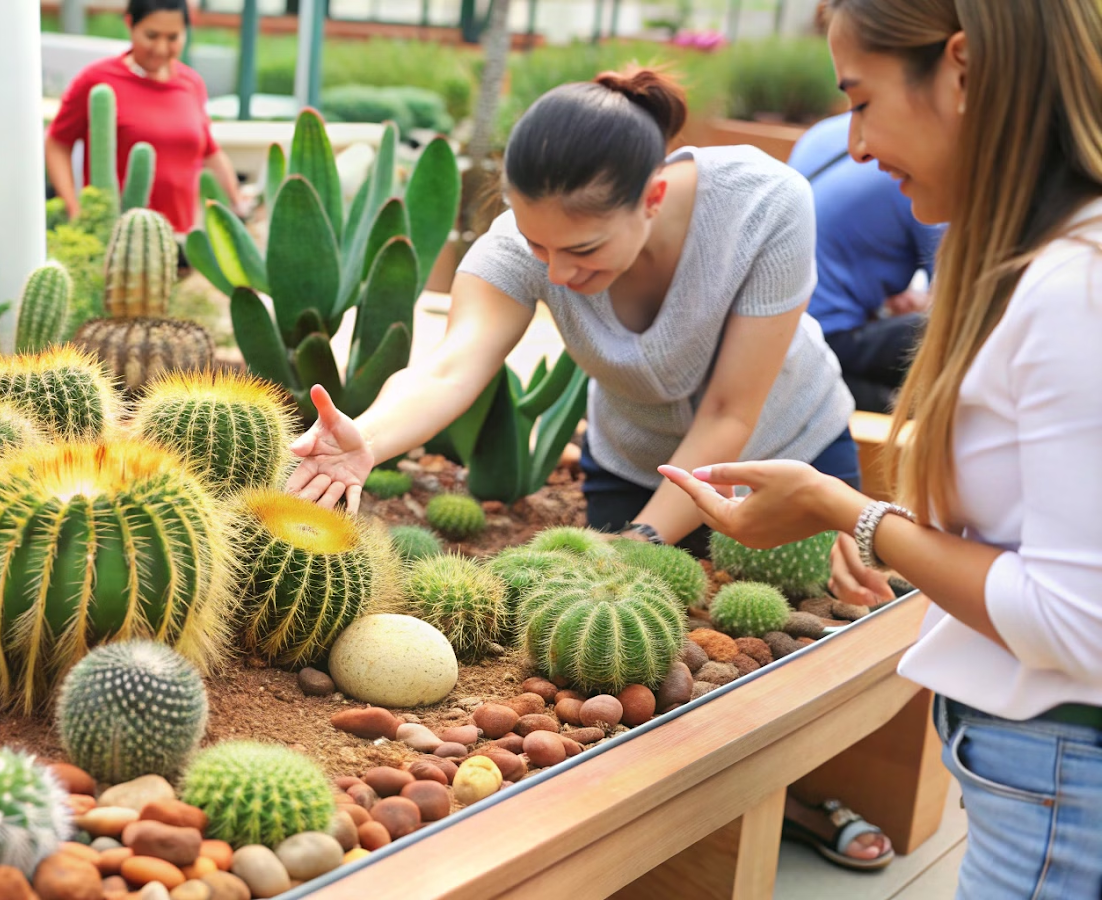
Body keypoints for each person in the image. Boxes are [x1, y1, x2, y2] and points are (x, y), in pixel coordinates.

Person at [284, 66, 893, 869]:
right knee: (639, 659)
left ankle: (810, 802)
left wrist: (638, 539)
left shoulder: (764, 201)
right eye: (538, 247)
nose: (560, 273)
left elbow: (728, 415)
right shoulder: (525, 240)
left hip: (787, 450)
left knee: (798, 644)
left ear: (652, 197)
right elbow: (452, 365)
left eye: (583, 249)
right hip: (632, 457)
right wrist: (368, 434)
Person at [660, 0, 1102, 895]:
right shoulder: (1053, 265)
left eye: (860, 100)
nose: (853, 146)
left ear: (965, 70)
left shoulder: (1071, 289)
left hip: (1062, 774)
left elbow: (1075, 621)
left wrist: (848, 511)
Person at [788, 110, 944, 413]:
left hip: (782, 327)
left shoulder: (824, 131)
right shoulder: (914, 164)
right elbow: (958, 304)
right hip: (828, 338)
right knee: (961, 337)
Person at [44, 0, 245, 234]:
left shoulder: (192, 83)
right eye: (151, 35)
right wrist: (74, 209)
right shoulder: (97, 80)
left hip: (179, 240)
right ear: (130, 24)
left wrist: (237, 201)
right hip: (116, 241)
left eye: (173, 38)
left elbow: (209, 150)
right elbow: (57, 143)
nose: (161, 48)